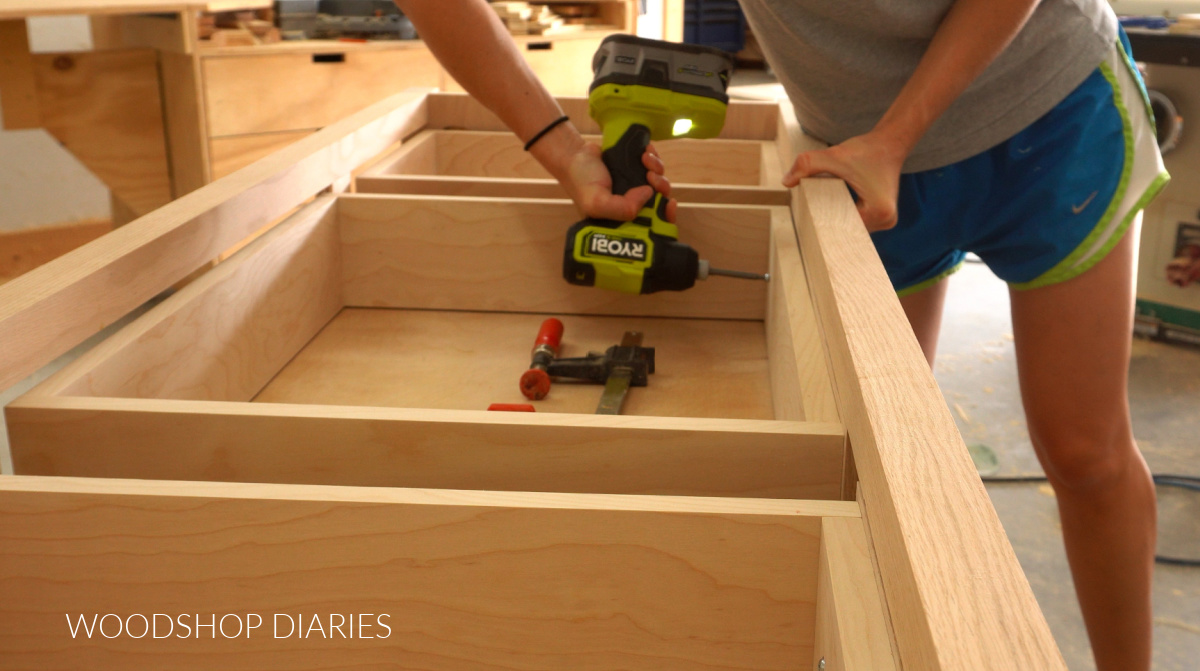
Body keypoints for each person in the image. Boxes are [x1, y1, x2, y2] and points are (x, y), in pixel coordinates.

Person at [396, 2, 1166, 669]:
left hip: (1043, 110)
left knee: (1084, 450)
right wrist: (562, 149)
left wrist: (898, 136)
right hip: (855, 146)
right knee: (887, 453)